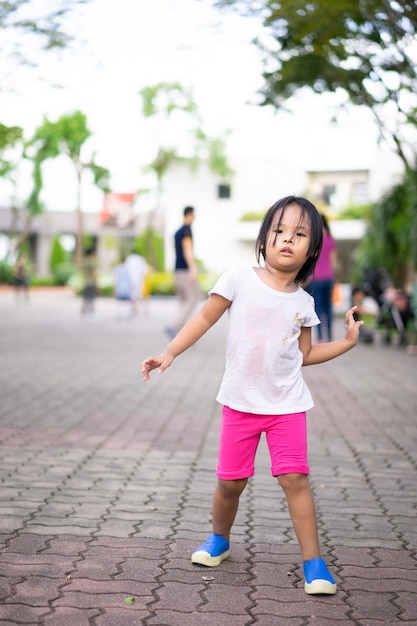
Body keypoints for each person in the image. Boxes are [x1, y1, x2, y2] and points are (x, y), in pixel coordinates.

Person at [141, 195, 363, 596]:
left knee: (295, 479)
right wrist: (169, 351)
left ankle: (314, 563)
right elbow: (205, 316)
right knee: (230, 483)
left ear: (312, 248)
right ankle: (219, 539)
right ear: (264, 237)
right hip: (241, 403)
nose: (286, 240)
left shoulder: (304, 302)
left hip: (287, 406)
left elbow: (305, 355)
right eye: (278, 231)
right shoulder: (238, 278)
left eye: (299, 234)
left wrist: (347, 342)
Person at [165, 205, 201, 338]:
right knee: (194, 298)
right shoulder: (186, 231)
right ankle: (175, 326)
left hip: (177, 269)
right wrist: (193, 268)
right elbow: (187, 250)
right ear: (190, 214)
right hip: (185, 270)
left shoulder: (177, 231)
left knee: (184, 300)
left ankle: (180, 331)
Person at [306, 214, 336, 341]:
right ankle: (329, 336)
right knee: (328, 308)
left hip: (315, 279)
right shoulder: (330, 240)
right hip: (328, 278)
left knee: (317, 308)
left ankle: (319, 337)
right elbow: (333, 261)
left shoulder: (313, 240)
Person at [124, 251, 147, 317]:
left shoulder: (129, 258)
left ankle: (134, 307)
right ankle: (136, 307)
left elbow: (126, 269)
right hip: (138, 279)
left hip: (131, 280)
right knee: (138, 293)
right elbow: (144, 270)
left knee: (133, 294)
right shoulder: (140, 259)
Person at [81, 247, 98, 315]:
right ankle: (90, 310)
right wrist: (96, 283)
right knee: (91, 297)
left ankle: (84, 309)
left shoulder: (84, 261)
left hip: (86, 281)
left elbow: (83, 273)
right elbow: (94, 273)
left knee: (86, 297)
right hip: (91, 282)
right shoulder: (92, 262)